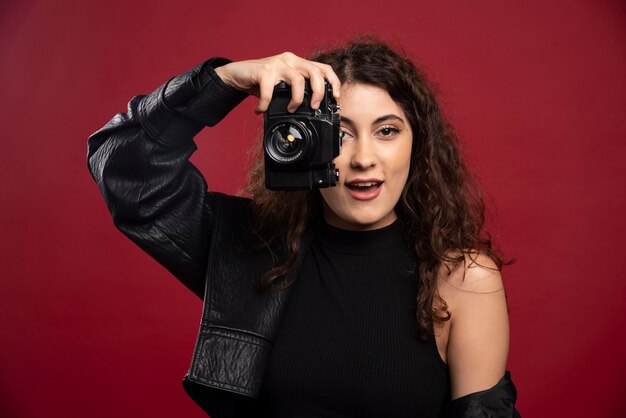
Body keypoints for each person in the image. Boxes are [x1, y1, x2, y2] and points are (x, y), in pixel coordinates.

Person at [88, 38, 520, 417]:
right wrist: (224, 80)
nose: (364, 158)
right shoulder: (248, 250)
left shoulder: (463, 279)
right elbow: (127, 171)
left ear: (418, 145)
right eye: (340, 133)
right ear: (301, 141)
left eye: (387, 131)